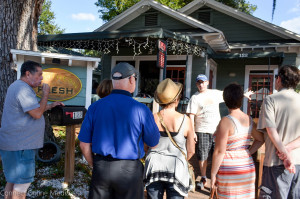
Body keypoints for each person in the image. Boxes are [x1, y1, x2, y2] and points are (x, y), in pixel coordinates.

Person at [78, 62, 160, 199]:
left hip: (101, 167)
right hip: (129, 171)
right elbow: (154, 142)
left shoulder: (95, 107)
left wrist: (95, 165)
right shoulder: (141, 109)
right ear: (131, 79)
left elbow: (83, 143)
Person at [0, 60, 64, 199]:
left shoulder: (17, 87)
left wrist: (50, 106)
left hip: (13, 145)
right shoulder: (23, 89)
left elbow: (33, 109)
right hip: (21, 146)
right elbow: (36, 114)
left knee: (12, 181)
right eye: (39, 74)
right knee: (22, 186)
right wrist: (46, 94)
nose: (42, 78)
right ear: (28, 74)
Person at [210, 83, 264, 199]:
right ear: (241, 99)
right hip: (246, 165)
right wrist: (248, 152)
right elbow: (260, 139)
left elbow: (219, 151)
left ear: (225, 100)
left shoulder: (226, 121)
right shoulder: (248, 119)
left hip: (230, 167)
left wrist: (213, 174)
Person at [144, 78, 195, 198]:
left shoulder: (152, 118)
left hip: (154, 166)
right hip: (176, 167)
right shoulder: (185, 120)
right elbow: (191, 150)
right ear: (176, 100)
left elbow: (146, 146)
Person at [257, 65, 300, 199]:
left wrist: (285, 154)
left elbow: (271, 131)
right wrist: (288, 149)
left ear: (279, 79)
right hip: (297, 163)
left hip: (275, 162)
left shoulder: (270, 100)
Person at [186, 74, 224, 189]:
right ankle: (203, 178)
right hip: (202, 130)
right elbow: (191, 116)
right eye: (199, 83)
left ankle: (215, 179)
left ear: (207, 82)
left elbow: (230, 95)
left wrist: (244, 94)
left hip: (217, 131)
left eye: (203, 82)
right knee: (202, 156)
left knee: (218, 155)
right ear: (197, 84)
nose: (201, 85)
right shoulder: (195, 98)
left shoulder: (215, 93)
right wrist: (192, 132)